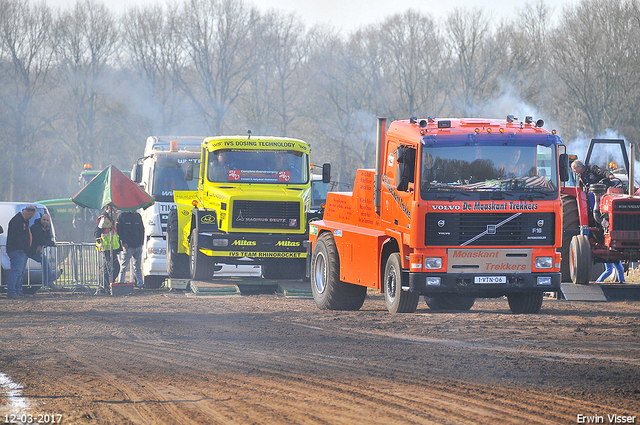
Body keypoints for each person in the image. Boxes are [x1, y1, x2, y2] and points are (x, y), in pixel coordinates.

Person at [6, 205, 37, 299]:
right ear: (30, 213)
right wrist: (23, 248)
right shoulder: (17, 221)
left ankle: (18, 291)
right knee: (16, 272)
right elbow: (16, 237)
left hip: (22, 250)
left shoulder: (23, 221)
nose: (31, 218)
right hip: (17, 250)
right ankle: (12, 293)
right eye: (31, 215)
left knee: (20, 272)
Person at [94, 205, 121, 293]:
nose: (116, 209)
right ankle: (108, 285)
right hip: (106, 248)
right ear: (109, 208)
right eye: (114, 208)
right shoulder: (104, 218)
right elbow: (97, 232)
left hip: (112, 248)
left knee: (106, 270)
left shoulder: (112, 218)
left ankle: (104, 287)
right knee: (115, 268)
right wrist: (99, 244)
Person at [116, 209, 145, 288]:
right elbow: (119, 231)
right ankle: (121, 283)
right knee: (124, 266)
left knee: (138, 267)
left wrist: (141, 242)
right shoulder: (122, 216)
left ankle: (140, 284)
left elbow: (142, 229)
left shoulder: (138, 216)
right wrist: (124, 242)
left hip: (137, 246)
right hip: (127, 246)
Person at [29, 213, 56, 288]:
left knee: (44, 260)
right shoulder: (36, 227)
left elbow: (46, 240)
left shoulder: (47, 228)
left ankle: (48, 280)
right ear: (40, 219)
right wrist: (52, 244)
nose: (45, 222)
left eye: (47, 220)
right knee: (44, 260)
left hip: (35, 250)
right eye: (44, 219)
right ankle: (48, 281)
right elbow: (41, 240)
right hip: (29, 249)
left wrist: (41, 245)